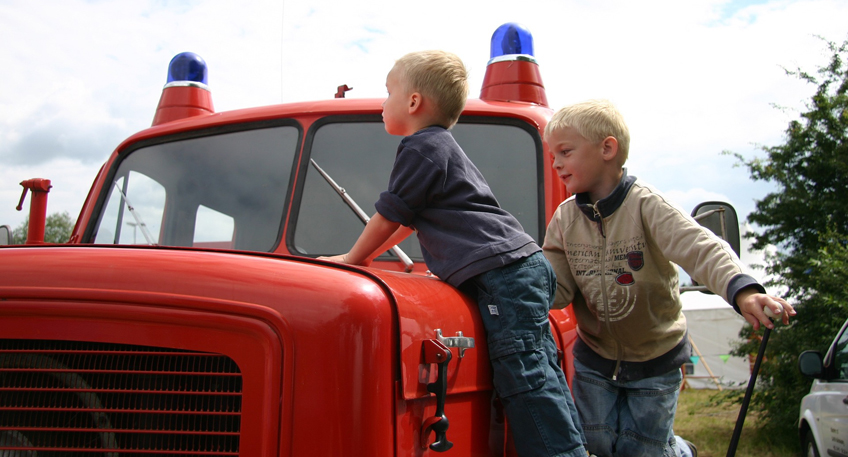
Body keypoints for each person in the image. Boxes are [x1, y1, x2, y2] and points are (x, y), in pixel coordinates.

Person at [319, 50, 588, 457]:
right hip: (519, 267)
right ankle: (575, 449)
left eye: (388, 92)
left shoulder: (421, 148)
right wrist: (367, 253)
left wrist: (353, 260)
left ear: (413, 103)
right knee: (543, 370)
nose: (382, 103)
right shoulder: (440, 148)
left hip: (506, 274)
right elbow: (407, 221)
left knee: (524, 377)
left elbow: (390, 214)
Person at [541, 99, 795, 457]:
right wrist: (517, 284)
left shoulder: (646, 205)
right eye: (553, 155)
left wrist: (744, 291)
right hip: (595, 357)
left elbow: (700, 247)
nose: (556, 163)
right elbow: (556, 286)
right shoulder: (565, 220)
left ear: (607, 149)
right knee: (593, 443)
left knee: (640, 451)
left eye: (565, 152)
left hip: (655, 358)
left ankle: (678, 451)